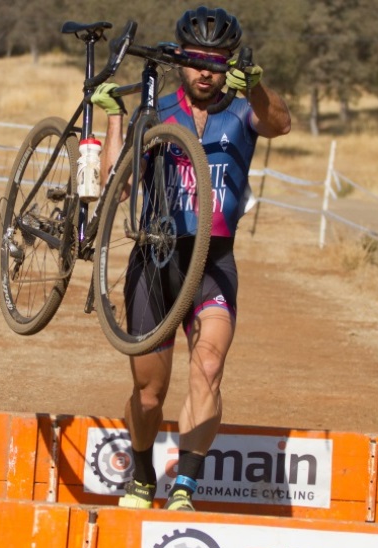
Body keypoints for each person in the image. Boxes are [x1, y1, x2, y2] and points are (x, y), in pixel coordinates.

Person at [91, 6, 291, 511]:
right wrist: (116, 116)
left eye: (217, 62)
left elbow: (280, 123)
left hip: (212, 261)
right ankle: (141, 476)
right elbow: (117, 185)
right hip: (155, 260)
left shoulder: (242, 108)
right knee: (149, 391)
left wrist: (255, 87)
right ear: (181, 60)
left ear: (229, 65)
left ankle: (185, 486)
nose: (206, 71)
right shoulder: (159, 109)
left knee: (208, 368)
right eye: (197, 60)